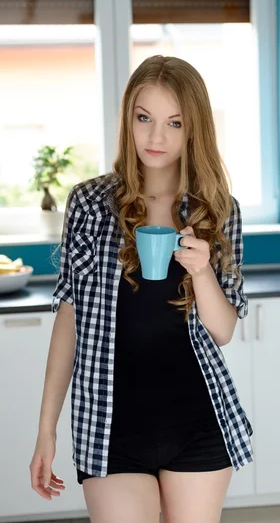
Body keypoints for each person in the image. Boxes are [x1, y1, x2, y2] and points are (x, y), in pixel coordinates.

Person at [29, 55, 253, 523]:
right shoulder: (90, 203)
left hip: (198, 420)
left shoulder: (216, 209)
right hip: (110, 424)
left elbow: (225, 330)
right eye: (144, 118)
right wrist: (46, 429)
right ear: (128, 117)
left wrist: (202, 271)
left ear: (194, 129)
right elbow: (70, 316)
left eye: (174, 123)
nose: (156, 137)